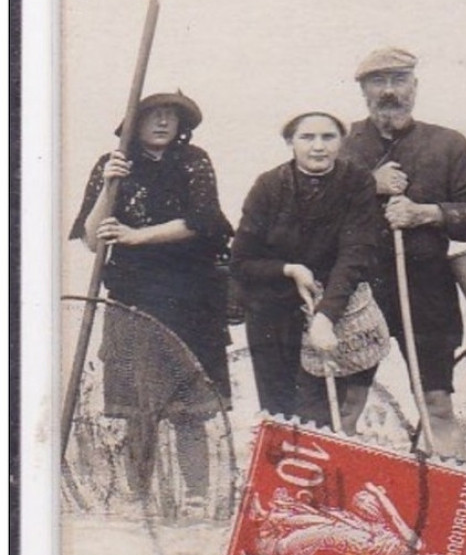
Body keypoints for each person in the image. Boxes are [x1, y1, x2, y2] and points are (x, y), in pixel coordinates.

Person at [69, 91, 233, 499]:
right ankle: (140, 500)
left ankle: (195, 499)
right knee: (138, 409)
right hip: (132, 297)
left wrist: (137, 236)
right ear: (134, 123)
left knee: (188, 411)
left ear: (182, 126)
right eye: (152, 116)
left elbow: (203, 221)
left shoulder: (193, 160)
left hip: (190, 296)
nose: (162, 122)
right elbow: (92, 238)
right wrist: (110, 185)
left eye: (170, 116)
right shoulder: (112, 164)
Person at [340, 47, 466, 455]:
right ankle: (333, 499)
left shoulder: (447, 144)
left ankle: (447, 500)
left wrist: (426, 214)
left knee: (436, 403)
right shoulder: (340, 144)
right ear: (363, 89)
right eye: (378, 81)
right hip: (357, 292)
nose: (389, 91)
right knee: (346, 403)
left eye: (399, 80)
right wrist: (369, 184)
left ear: (415, 86)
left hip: (427, 290)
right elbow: (311, 214)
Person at [232, 112, 384, 431]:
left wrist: (326, 316)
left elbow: (355, 253)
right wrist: (289, 269)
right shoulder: (268, 186)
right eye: (307, 137)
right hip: (272, 315)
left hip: (336, 312)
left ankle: (324, 480)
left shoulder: (355, 182)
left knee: (326, 418)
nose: (318, 147)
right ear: (290, 142)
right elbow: (242, 260)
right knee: (280, 416)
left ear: (341, 141)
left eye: (328, 137)